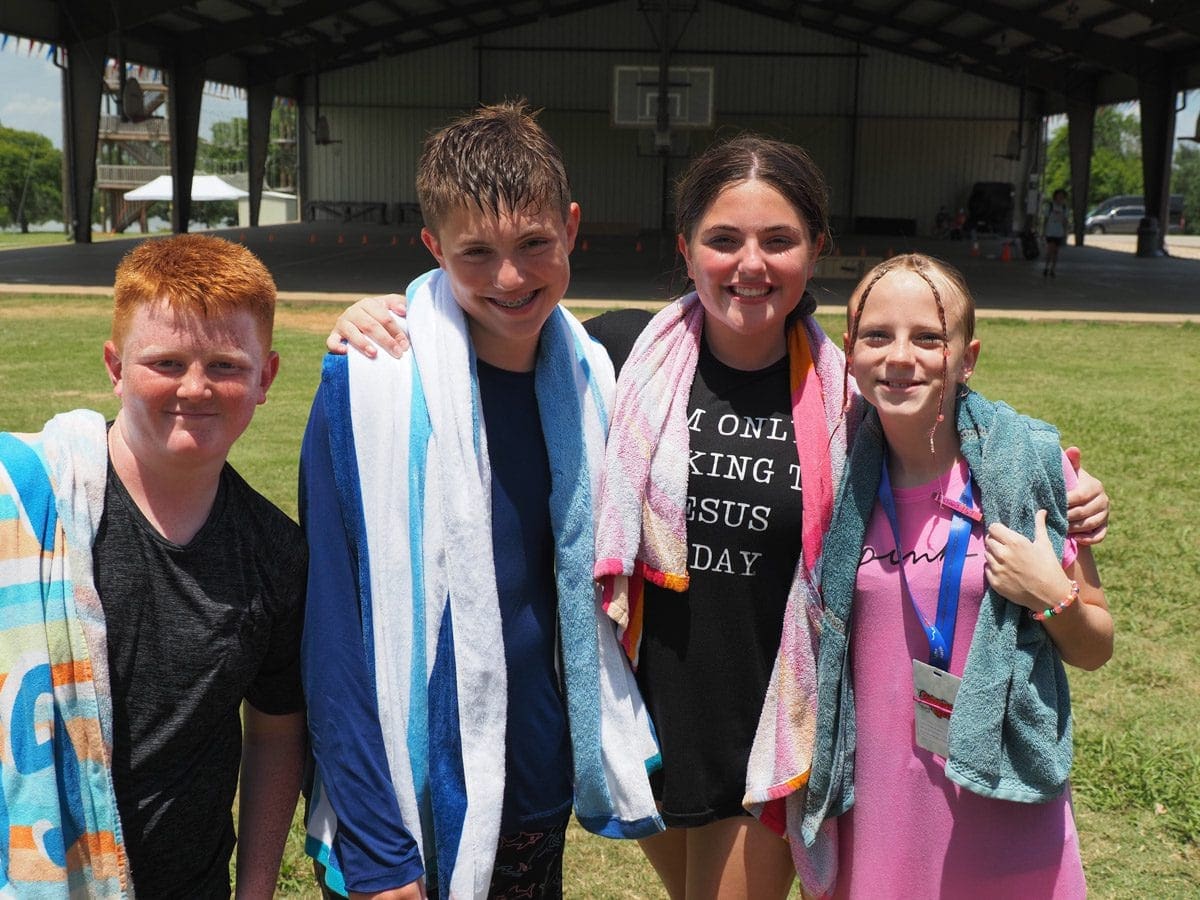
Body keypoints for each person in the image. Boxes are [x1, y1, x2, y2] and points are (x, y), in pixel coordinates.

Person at [326, 138, 1110, 899]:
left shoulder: (851, 398)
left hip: (770, 729)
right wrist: (387, 311)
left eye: (779, 240)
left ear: (815, 249)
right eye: (724, 239)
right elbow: (488, 335)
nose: (750, 264)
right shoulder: (620, 355)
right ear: (687, 247)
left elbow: (952, 413)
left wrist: (1063, 481)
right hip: (646, 727)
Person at [299, 102, 662, 900]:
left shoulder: (598, 379)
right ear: (434, 248)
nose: (510, 278)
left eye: (534, 243)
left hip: (533, 782)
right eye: (476, 253)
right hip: (401, 804)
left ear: (571, 227)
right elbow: (331, 625)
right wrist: (377, 846)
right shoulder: (366, 390)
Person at [0, 234, 307, 897]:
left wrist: (256, 889)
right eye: (165, 362)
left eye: (226, 365)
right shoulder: (22, 506)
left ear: (266, 378)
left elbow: (275, 731)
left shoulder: (276, 555)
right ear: (115, 366)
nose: (195, 387)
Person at [802, 253, 1113, 897]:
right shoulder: (831, 471)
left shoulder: (1029, 468)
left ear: (967, 358)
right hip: (879, 805)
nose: (900, 357)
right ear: (850, 353)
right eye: (877, 336)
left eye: (928, 337)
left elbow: (1095, 647)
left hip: (1002, 798)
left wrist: (1051, 595)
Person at [1043, 188, 1069, 277]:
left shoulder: (1064, 208)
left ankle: (1052, 269)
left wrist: (1065, 232)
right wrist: (1043, 231)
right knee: (1050, 250)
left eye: (1062, 196)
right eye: (1059, 196)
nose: (1060, 198)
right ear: (1055, 196)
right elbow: (1045, 219)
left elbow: (1065, 221)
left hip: (1059, 232)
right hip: (1050, 231)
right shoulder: (1050, 206)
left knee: (1056, 251)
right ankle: (1046, 267)